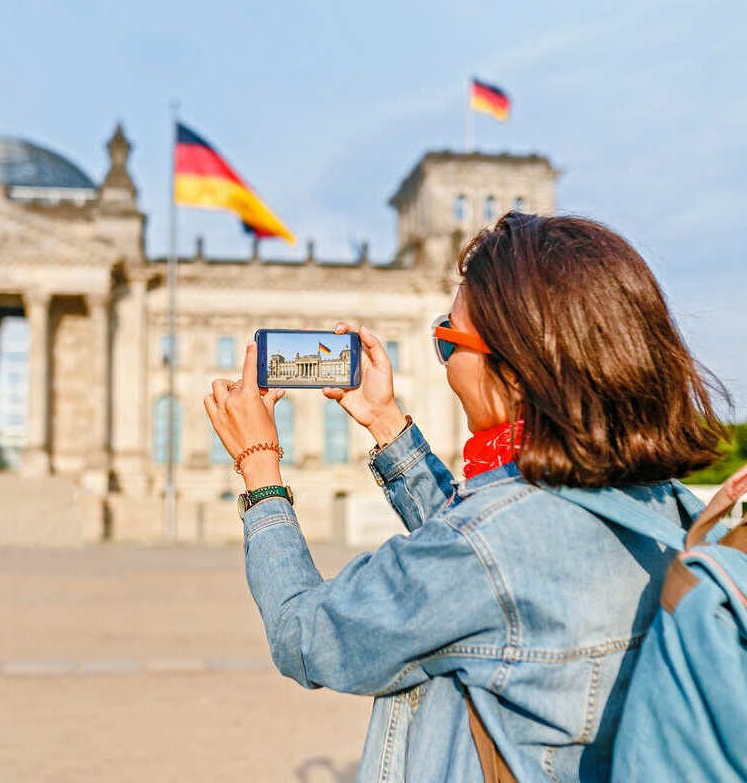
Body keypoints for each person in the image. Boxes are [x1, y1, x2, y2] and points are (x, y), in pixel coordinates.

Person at [203, 211, 729, 782]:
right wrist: (384, 422)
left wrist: (258, 461)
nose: (446, 363)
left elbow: (304, 636)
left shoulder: (486, 547)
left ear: (518, 370)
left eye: (447, 340)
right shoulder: (666, 507)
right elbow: (496, 568)